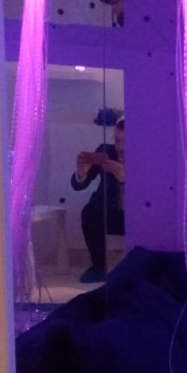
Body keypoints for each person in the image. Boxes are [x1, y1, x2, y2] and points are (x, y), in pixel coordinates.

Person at [71, 119, 125, 283]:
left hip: (138, 216)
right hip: (111, 213)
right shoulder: (106, 152)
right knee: (90, 212)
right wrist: (81, 173)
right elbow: (80, 185)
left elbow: (152, 193)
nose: (120, 147)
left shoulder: (147, 157)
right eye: (117, 140)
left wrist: (125, 178)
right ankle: (98, 267)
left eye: (126, 142)